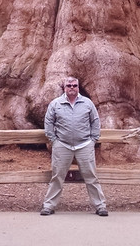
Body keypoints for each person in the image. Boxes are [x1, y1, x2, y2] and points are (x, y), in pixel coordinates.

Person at [40, 76, 107, 216]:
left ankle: (100, 206)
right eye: (69, 85)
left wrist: (93, 140)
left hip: (84, 145)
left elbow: (95, 121)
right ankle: (48, 206)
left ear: (78, 87)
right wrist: (54, 140)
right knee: (57, 176)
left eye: (74, 85)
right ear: (64, 88)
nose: (71, 88)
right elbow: (49, 123)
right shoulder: (56, 104)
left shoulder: (87, 103)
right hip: (62, 145)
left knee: (91, 176)